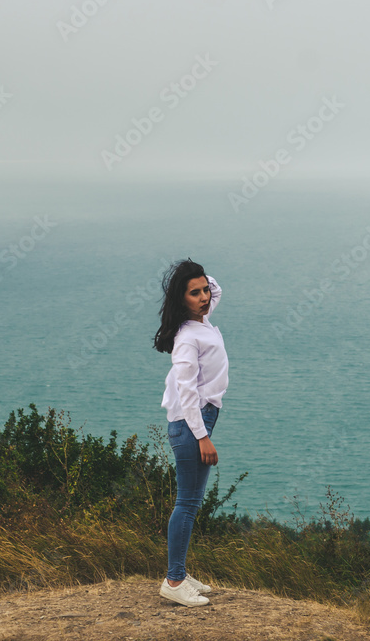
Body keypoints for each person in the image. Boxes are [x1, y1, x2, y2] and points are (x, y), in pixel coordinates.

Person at [153, 259, 228, 607]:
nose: (204, 296)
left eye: (204, 291)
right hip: (191, 423)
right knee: (186, 503)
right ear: (181, 300)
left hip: (199, 420)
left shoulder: (204, 321)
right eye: (194, 293)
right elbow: (186, 393)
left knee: (191, 502)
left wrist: (192, 274)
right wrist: (202, 436)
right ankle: (173, 580)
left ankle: (179, 570)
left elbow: (217, 288)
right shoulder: (187, 337)